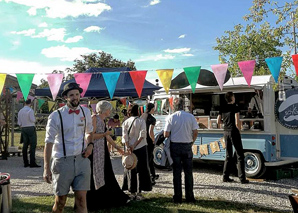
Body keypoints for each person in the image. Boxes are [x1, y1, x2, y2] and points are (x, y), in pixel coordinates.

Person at [43, 82, 94, 213]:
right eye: (71, 95)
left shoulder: (86, 112)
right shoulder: (56, 116)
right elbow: (48, 142)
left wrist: (90, 145)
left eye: (77, 94)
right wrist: (46, 168)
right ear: (65, 97)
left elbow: (90, 132)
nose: (75, 97)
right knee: (60, 202)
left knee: (82, 201)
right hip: (62, 161)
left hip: (82, 160)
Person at [86, 101, 129, 211]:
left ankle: (109, 198)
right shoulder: (94, 118)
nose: (110, 111)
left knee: (106, 173)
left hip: (102, 150)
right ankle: (96, 200)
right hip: (95, 150)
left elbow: (108, 137)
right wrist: (105, 134)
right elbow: (91, 135)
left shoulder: (102, 120)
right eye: (109, 109)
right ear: (105, 109)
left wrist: (118, 148)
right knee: (96, 174)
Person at [164, 97, 198, 203]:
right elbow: (195, 131)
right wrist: (191, 142)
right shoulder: (190, 116)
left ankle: (177, 197)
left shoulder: (171, 117)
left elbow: (166, 134)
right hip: (187, 145)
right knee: (188, 173)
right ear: (183, 106)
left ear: (174, 107)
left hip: (175, 146)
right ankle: (190, 197)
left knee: (177, 173)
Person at [217, 92, 249, 184]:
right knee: (239, 155)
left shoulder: (222, 107)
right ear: (231, 98)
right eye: (234, 96)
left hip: (225, 131)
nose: (234, 98)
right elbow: (237, 120)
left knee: (228, 155)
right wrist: (239, 129)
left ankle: (225, 176)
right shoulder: (235, 107)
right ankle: (242, 178)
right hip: (234, 131)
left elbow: (218, 121)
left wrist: (225, 123)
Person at [122, 104, 152, 200]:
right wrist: (135, 145)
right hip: (141, 147)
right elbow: (142, 134)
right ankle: (139, 192)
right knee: (141, 169)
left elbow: (124, 136)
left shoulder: (126, 122)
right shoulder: (141, 121)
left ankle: (132, 191)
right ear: (138, 111)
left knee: (130, 168)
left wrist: (128, 146)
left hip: (129, 148)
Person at [18, 99, 40, 168]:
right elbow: (32, 120)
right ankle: (32, 162)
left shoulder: (20, 111)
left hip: (23, 128)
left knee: (25, 145)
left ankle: (25, 162)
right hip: (30, 127)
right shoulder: (30, 110)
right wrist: (35, 119)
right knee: (33, 145)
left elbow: (19, 122)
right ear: (30, 103)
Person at [140, 103, 159, 185]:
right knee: (149, 158)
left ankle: (153, 174)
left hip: (141, 140)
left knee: (147, 158)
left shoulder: (141, 116)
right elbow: (150, 131)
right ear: (152, 109)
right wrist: (153, 140)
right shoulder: (152, 119)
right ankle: (149, 178)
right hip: (148, 141)